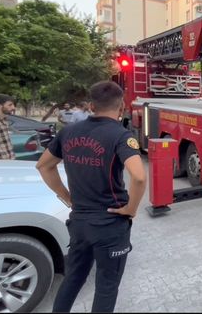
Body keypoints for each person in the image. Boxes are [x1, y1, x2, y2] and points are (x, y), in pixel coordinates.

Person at [36, 81, 147, 312]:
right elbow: (138, 177)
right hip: (109, 225)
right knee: (107, 286)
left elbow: (44, 166)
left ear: (90, 105)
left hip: (79, 223)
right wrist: (131, 209)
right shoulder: (120, 135)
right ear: (122, 107)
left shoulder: (68, 132)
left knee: (73, 278)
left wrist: (67, 197)